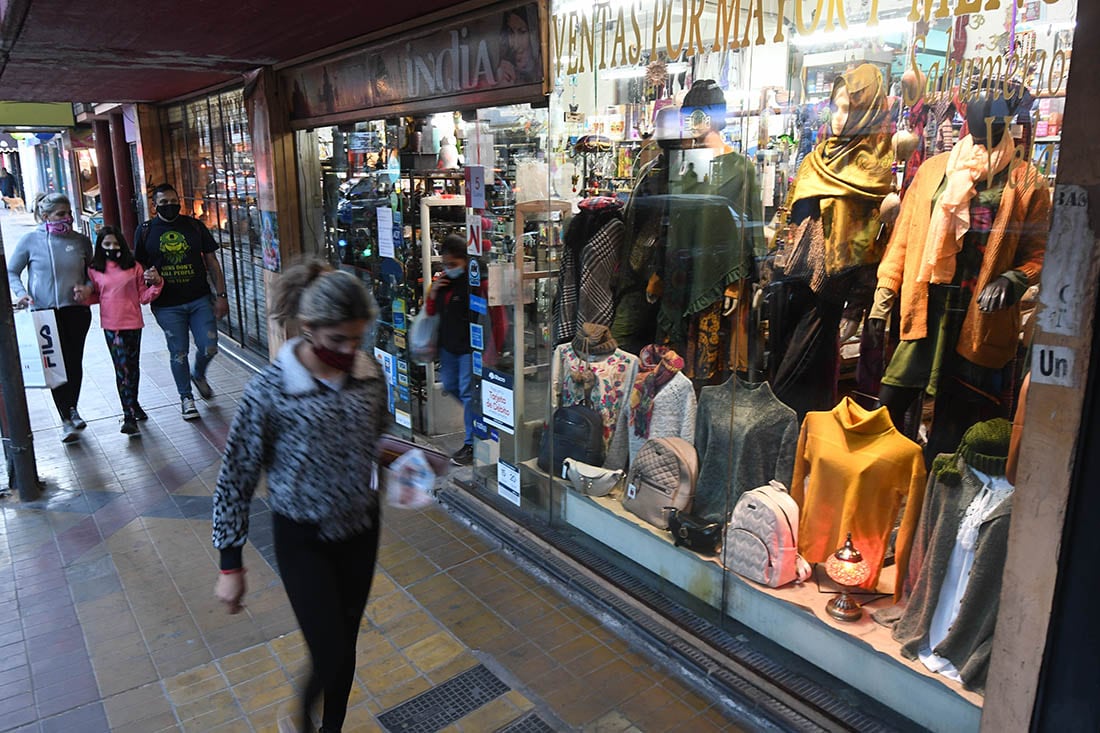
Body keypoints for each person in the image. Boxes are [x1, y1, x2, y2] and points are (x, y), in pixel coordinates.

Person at [212, 261, 386, 733]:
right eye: (337, 341)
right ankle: (303, 725)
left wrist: (406, 464)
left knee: (343, 648)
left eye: (358, 338)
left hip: (361, 529)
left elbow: (377, 437)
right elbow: (235, 477)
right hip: (302, 537)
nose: (350, 351)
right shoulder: (268, 391)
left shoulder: (369, 374)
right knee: (329, 650)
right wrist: (231, 563)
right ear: (309, 329)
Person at [133, 183, 229, 420]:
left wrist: (222, 295)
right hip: (167, 304)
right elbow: (139, 264)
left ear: (180, 201)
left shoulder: (195, 226)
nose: (169, 206)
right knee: (179, 352)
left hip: (199, 299)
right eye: (163, 203)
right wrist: (147, 278)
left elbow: (212, 261)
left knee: (209, 346)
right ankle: (186, 397)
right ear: (154, 206)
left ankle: (198, 374)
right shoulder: (145, 230)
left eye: (173, 201)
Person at [6, 192, 94, 443]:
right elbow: (12, 271)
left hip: (76, 311)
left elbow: (93, 273)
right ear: (45, 216)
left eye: (69, 213)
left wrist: (87, 288)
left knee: (74, 362)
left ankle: (72, 408)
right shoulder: (30, 241)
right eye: (60, 214)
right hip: (44, 313)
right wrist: (22, 294)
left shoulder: (81, 241)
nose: (67, 218)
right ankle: (66, 419)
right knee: (55, 366)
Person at [86, 226, 163, 435]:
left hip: (134, 324)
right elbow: (94, 296)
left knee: (133, 367)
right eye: (107, 244)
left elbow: (143, 296)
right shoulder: (94, 269)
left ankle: (133, 403)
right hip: (112, 327)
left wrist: (157, 284)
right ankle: (128, 415)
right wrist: (81, 295)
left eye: (115, 243)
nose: (112, 247)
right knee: (122, 369)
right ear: (100, 246)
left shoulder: (134, 267)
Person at [426, 234, 475, 466]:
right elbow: (430, 311)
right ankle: (475, 417)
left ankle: (470, 442)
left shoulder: (474, 282)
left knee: (466, 391)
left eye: (453, 264)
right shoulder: (444, 282)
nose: (449, 268)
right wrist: (434, 292)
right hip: (448, 347)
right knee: (451, 385)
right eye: (445, 264)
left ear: (464, 260)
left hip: (467, 347)